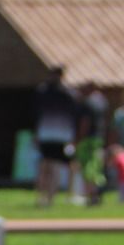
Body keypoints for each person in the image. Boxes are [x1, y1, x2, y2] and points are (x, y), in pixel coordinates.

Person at [33, 66, 76, 207]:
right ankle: (44, 197)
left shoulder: (60, 93)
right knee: (47, 167)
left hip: (55, 135)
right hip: (52, 135)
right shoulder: (64, 93)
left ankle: (47, 198)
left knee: (50, 167)